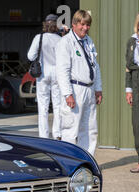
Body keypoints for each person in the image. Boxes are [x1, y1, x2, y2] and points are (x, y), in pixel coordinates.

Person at [56, 10, 103, 156]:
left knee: (90, 129)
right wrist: (67, 94)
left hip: (89, 89)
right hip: (75, 89)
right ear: (74, 24)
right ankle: (69, 161)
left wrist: (98, 88)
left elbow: (95, 66)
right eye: (82, 24)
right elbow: (62, 70)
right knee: (71, 128)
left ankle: (87, 161)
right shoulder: (65, 42)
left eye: (88, 25)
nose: (85, 28)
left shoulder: (89, 41)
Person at [27, 14, 62, 140]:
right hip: (57, 73)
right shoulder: (60, 39)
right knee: (58, 105)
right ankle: (57, 133)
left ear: (45, 24)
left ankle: (44, 136)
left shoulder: (39, 37)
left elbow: (30, 56)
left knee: (43, 106)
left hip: (43, 73)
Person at [125, 13, 139, 173]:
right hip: (136, 85)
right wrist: (128, 90)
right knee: (137, 125)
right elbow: (128, 69)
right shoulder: (131, 41)